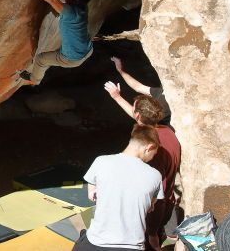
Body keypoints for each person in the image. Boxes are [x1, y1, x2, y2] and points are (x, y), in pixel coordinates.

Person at [103, 88, 182, 251]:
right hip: (167, 205)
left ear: (138, 116)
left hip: (152, 216)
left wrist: (152, 231)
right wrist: (117, 97)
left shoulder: (151, 153)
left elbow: (157, 195)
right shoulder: (169, 132)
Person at [73, 124, 164, 251]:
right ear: (150, 147)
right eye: (154, 154)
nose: (151, 159)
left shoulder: (101, 162)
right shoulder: (155, 175)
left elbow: (91, 193)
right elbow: (150, 206)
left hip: (95, 243)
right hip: (132, 246)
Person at [18, 0, 94, 85]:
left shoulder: (70, 12)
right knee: (58, 53)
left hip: (72, 59)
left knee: (40, 60)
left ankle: (34, 80)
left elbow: (52, 0)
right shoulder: (83, 7)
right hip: (86, 50)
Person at [110, 57, 172, 125]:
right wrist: (120, 71)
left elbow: (134, 114)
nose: (132, 108)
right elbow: (138, 87)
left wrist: (117, 97)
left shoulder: (155, 131)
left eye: (133, 107)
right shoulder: (161, 96)